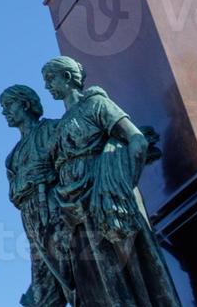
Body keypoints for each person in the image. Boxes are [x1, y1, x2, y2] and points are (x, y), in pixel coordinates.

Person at [42, 56, 181, 306]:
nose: (47, 86)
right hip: (73, 207)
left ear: (68, 77)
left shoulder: (96, 104)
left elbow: (136, 140)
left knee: (122, 268)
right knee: (90, 278)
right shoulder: (59, 125)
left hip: (103, 199)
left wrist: (119, 185)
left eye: (50, 78)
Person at [1, 84, 71, 307]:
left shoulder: (53, 129)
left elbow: (72, 165)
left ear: (26, 103)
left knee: (73, 272)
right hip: (32, 218)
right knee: (43, 286)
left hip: (56, 209)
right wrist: (28, 179)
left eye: (8, 105)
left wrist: (50, 173)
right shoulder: (12, 156)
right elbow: (13, 193)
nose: (5, 112)